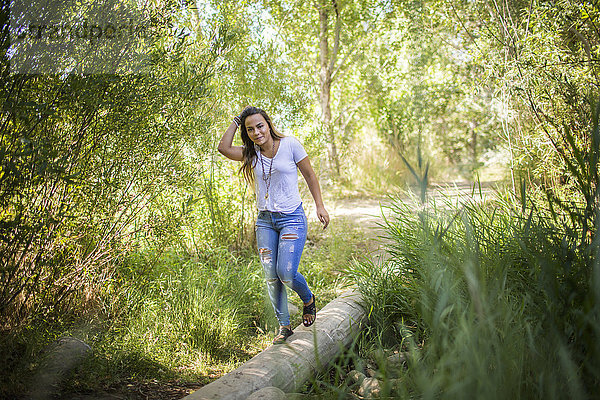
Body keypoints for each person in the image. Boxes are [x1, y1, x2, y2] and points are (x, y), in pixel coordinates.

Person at [218, 106, 330, 344]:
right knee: (271, 275)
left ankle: (308, 299)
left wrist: (319, 205)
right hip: (265, 221)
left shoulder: (290, 145)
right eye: (250, 129)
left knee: (285, 272)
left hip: (292, 218)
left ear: (268, 124)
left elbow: (310, 175)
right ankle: (284, 326)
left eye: (260, 126)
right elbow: (223, 148)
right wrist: (237, 120)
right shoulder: (251, 154)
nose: (257, 132)